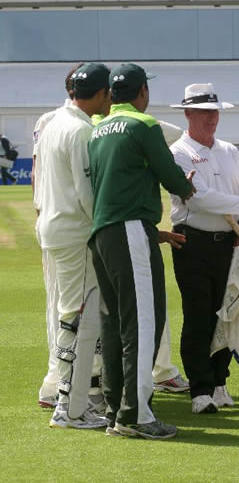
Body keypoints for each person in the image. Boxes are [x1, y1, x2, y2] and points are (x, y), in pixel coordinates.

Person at [88, 63, 195, 439]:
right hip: (131, 228)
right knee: (142, 322)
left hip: (101, 232)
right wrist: (187, 186)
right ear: (142, 93)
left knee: (115, 323)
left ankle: (118, 407)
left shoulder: (97, 129)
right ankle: (136, 417)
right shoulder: (143, 126)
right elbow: (172, 176)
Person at [169, 83, 239, 414]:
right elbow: (200, 198)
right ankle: (199, 389)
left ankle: (219, 382)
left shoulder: (230, 151)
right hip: (192, 241)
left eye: (214, 113)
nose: (210, 119)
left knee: (226, 314)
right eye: (203, 113)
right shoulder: (178, 153)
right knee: (199, 316)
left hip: (229, 244)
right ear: (188, 114)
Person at [35, 63, 111, 429]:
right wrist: (107, 230)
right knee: (76, 317)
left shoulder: (53, 124)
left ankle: (77, 396)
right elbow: (87, 195)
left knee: (74, 314)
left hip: (56, 229)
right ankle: (68, 405)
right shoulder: (80, 130)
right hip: (75, 233)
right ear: (100, 94)